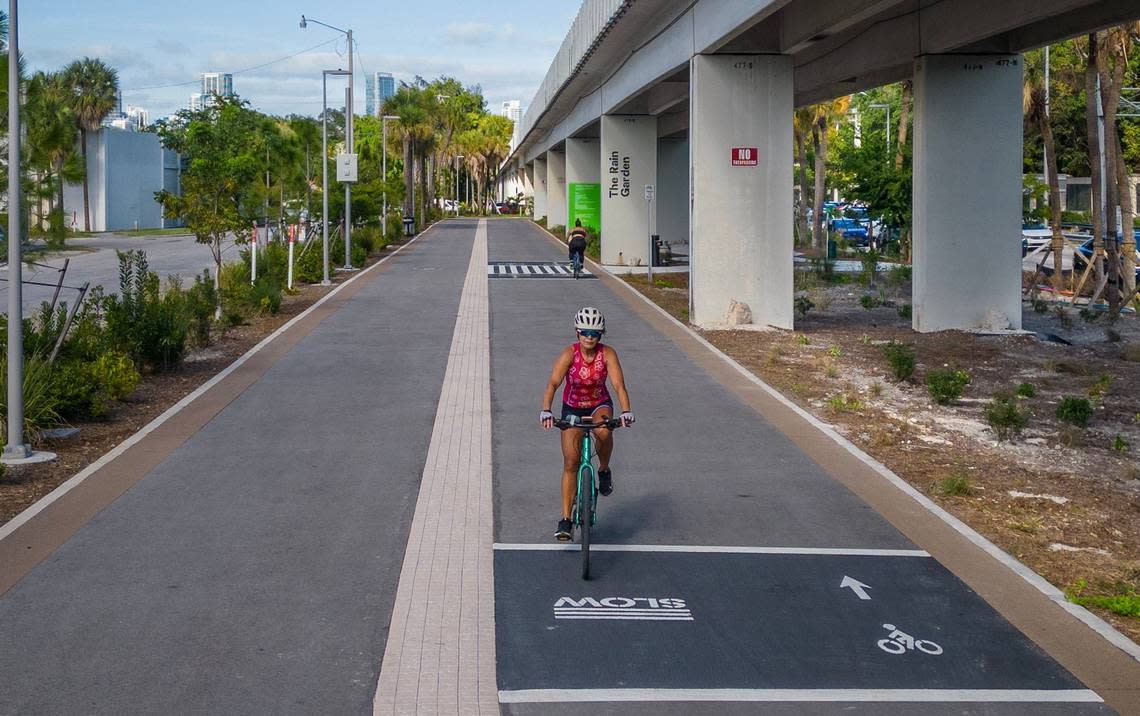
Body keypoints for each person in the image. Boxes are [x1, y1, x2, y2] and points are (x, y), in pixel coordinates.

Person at [539, 307, 634, 541]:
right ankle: (566, 520)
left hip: (598, 404)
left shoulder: (608, 354)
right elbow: (553, 383)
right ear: (577, 333)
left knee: (604, 429)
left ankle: (603, 469)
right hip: (572, 407)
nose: (590, 337)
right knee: (571, 461)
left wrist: (626, 412)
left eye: (595, 333)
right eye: (585, 332)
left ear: (601, 335)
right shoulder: (569, 354)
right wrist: (546, 410)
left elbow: (618, 385)